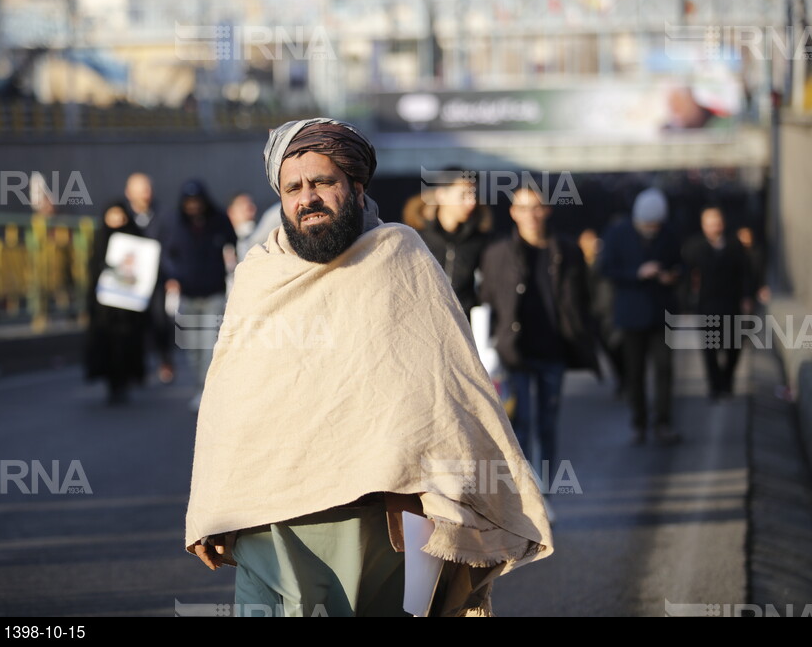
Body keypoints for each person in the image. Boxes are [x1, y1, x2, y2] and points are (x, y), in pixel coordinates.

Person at [185, 118, 553, 617]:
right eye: (293, 187)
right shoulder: (259, 275)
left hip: (382, 528)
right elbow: (229, 401)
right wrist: (210, 507)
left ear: (356, 187)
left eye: (322, 182)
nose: (307, 198)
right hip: (273, 526)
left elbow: (450, 391)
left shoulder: (400, 256)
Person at [479, 188, 598, 495]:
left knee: (548, 421)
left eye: (537, 207)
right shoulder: (497, 254)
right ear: (513, 213)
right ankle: (526, 491)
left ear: (547, 210)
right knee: (522, 422)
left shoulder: (567, 250)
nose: (531, 215)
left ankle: (544, 490)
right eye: (523, 207)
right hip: (514, 352)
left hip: (553, 349)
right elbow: (488, 301)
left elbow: (583, 298)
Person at [601, 188, 682, 445]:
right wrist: (637, 273)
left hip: (661, 313)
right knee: (634, 373)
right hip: (631, 313)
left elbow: (681, 263)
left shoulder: (670, 234)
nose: (651, 229)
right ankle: (639, 421)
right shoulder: (617, 234)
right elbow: (606, 268)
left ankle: (663, 422)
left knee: (665, 369)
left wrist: (672, 275)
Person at [163, 179, 237, 410]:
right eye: (189, 202)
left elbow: (232, 244)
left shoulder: (219, 220)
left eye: (197, 201)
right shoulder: (176, 224)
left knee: (209, 346)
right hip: (187, 295)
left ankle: (207, 392)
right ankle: (199, 386)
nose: (193, 206)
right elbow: (167, 254)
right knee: (192, 348)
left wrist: (230, 260)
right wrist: (173, 277)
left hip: (213, 293)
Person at [683, 206, 753, 399]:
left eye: (717, 222)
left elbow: (746, 272)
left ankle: (727, 380)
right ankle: (715, 385)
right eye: (710, 223)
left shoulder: (734, 245)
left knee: (733, 346)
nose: (714, 227)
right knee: (710, 349)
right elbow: (688, 277)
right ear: (703, 225)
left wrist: (747, 297)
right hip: (707, 305)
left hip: (731, 304)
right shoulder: (694, 247)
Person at [84, 202, 150, 404]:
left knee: (126, 345)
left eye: (120, 216)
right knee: (107, 345)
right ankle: (112, 383)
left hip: (129, 310)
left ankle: (125, 381)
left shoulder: (136, 238)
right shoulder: (100, 240)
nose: (116, 221)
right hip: (105, 309)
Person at [121, 173, 176, 384]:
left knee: (159, 321)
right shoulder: (123, 215)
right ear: (129, 192)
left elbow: (170, 248)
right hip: (129, 280)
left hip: (156, 279)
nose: (145, 193)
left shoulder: (163, 216)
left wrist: (171, 276)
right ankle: (135, 368)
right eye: (140, 188)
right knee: (131, 325)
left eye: (147, 188)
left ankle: (165, 361)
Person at [417, 168, 494, 316]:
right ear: (442, 195)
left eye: (473, 194)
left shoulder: (482, 242)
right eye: (464, 195)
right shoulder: (417, 239)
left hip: (465, 328)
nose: (471, 202)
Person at [579, 228, 626, 395]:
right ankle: (621, 379)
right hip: (593, 313)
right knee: (607, 349)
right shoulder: (579, 263)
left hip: (608, 310)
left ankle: (625, 380)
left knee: (617, 346)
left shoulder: (603, 260)